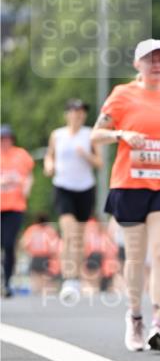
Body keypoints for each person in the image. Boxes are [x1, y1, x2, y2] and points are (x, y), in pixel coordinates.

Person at [90, 38, 160, 352]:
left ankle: (158, 324)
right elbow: (96, 135)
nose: (157, 64)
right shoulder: (122, 95)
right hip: (130, 183)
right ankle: (135, 316)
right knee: (135, 255)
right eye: (150, 59)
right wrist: (121, 134)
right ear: (138, 64)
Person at [44, 98, 102, 304]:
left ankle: (75, 278)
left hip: (85, 188)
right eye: (74, 111)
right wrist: (49, 166)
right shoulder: (57, 135)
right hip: (63, 187)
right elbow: (49, 156)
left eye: (81, 111)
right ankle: (68, 278)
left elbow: (99, 163)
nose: (78, 115)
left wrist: (85, 155)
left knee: (78, 237)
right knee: (68, 232)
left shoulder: (90, 134)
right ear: (67, 114)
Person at [0, 125, 34, 297]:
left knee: (9, 244)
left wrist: (27, 186)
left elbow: (29, 175)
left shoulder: (21, 155)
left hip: (15, 206)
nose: (5, 142)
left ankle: (7, 282)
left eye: (8, 139)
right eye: (2, 139)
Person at [20, 214, 61, 294]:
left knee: (36, 275)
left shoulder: (32, 229)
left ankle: (37, 290)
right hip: (46, 256)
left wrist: (28, 251)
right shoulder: (50, 230)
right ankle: (43, 290)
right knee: (45, 275)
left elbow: (24, 243)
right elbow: (54, 245)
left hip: (36, 256)